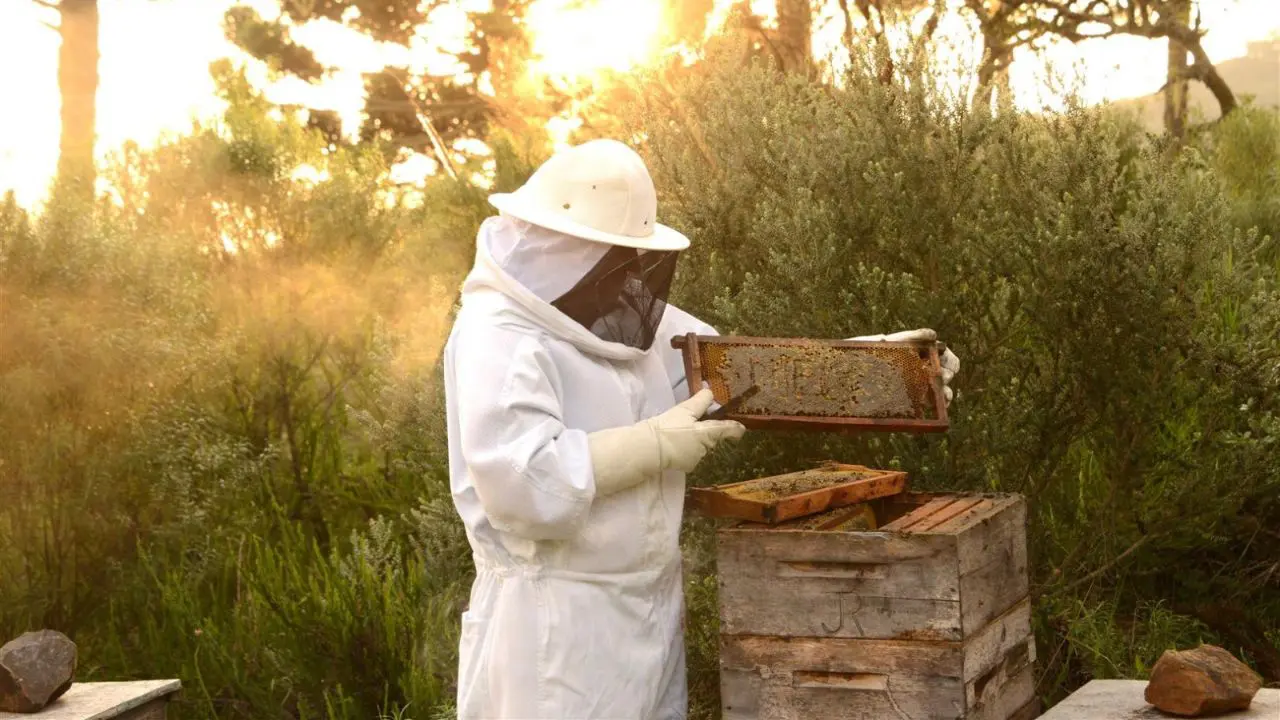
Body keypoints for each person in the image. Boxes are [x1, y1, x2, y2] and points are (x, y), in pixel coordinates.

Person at [442, 138, 959, 719]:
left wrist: (883, 367)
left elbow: (742, 378)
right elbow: (523, 488)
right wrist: (656, 444)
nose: (627, 275)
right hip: (551, 623)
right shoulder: (500, 335)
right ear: (564, 249)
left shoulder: (618, 317)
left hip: (651, 604)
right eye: (611, 255)